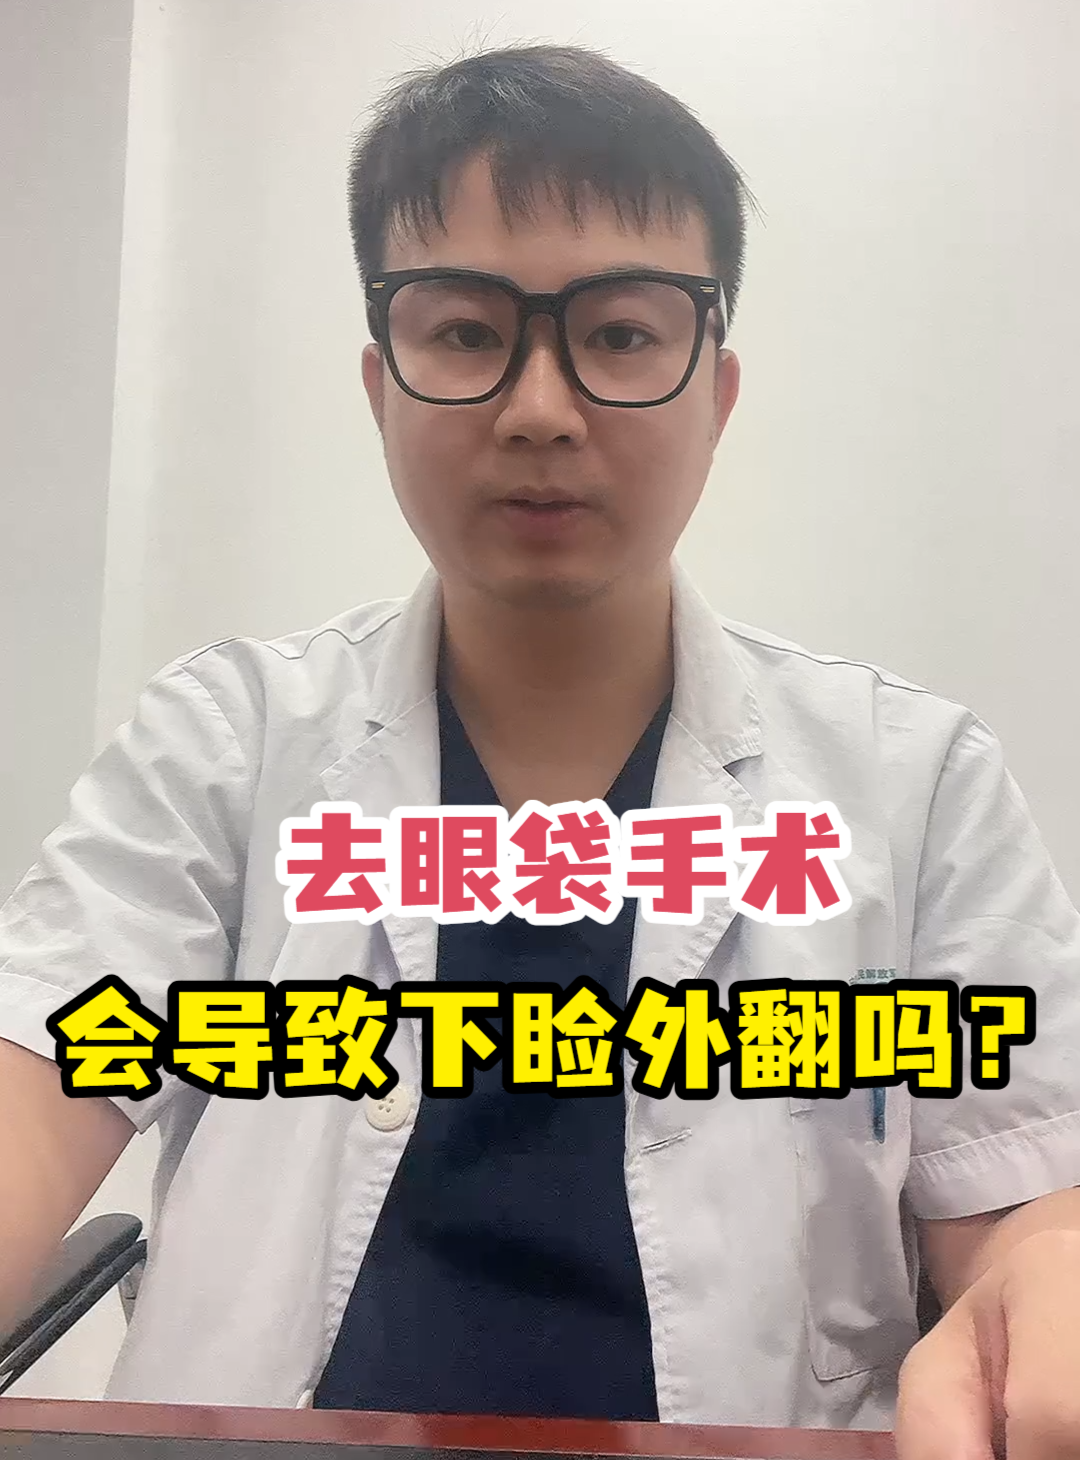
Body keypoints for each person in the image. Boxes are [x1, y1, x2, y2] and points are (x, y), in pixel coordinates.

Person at [1, 41, 1079, 1460]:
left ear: (717, 393)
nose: (540, 409)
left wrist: (1040, 1289)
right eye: (465, 332)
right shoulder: (230, 740)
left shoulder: (916, 782)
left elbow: (1018, 1209)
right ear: (381, 385)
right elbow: (39, 1074)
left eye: (621, 335)